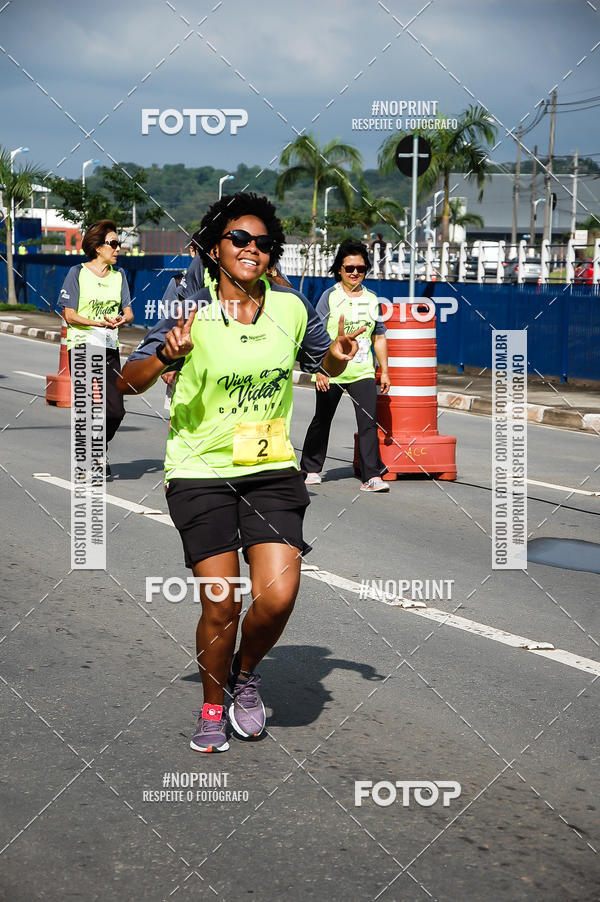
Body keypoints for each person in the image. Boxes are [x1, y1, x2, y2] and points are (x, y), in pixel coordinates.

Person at [119, 192, 364, 753]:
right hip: (199, 471)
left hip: (270, 468)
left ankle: (244, 674)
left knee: (277, 596)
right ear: (215, 248)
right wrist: (166, 356)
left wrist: (338, 355)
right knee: (223, 602)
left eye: (263, 242)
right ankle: (211, 706)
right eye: (240, 239)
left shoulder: (291, 308)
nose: (253, 248)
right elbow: (127, 383)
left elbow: (320, 361)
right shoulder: (190, 309)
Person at [300, 238, 391, 492]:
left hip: (362, 371)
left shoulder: (372, 298)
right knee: (322, 419)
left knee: (368, 422)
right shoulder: (330, 296)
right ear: (339, 269)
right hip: (331, 370)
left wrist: (384, 371)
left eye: (360, 268)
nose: (354, 273)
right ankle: (310, 469)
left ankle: (372, 476)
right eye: (349, 268)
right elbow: (314, 334)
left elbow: (379, 337)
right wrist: (320, 369)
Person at [59, 219, 133, 476]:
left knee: (116, 410)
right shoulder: (76, 273)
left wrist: (122, 319)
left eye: (118, 243)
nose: (118, 248)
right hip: (81, 346)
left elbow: (129, 312)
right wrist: (96, 322)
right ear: (98, 247)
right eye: (113, 243)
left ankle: (98, 446)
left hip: (109, 347)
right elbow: (69, 315)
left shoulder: (119, 276)